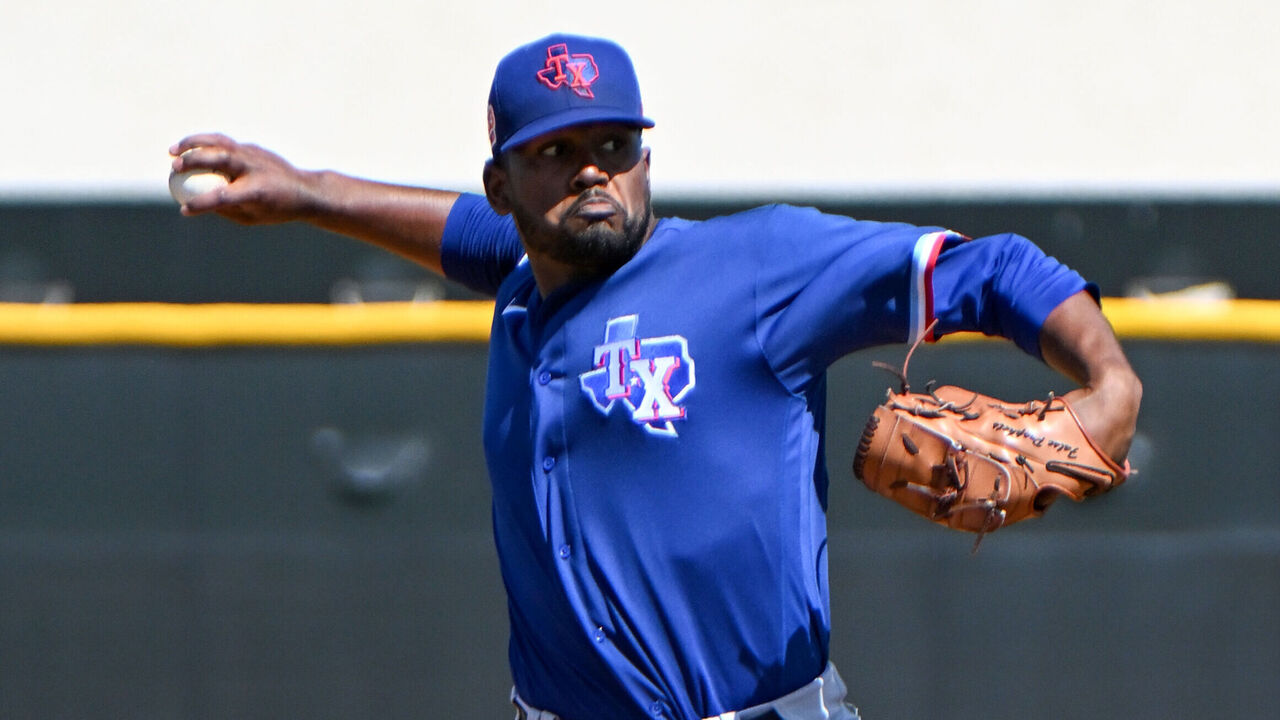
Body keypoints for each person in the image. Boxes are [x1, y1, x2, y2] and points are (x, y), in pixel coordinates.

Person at [170, 33, 1141, 720]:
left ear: (644, 157)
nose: (593, 172)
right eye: (555, 153)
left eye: (614, 145)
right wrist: (309, 194)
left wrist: (1107, 384)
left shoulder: (755, 271)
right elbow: (466, 237)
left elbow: (996, 270)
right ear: (504, 185)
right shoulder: (519, 278)